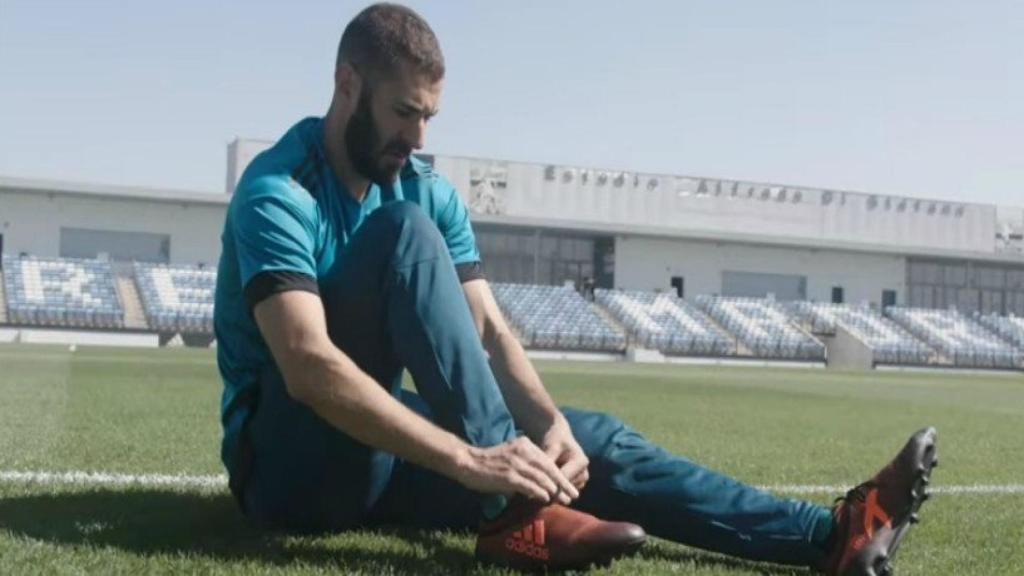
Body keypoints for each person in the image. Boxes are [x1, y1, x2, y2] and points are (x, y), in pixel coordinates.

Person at [213, 4, 938, 573]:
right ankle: (512, 514)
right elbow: (307, 367)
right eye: (405, 112)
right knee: (403, 234)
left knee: (594, 442)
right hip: (288, 470)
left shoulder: (423, 187)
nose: (420, 136)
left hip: (379, 451)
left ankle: (832, 534)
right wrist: (474, 461)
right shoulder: (280, 189)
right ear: (348, 85)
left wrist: (549, 427)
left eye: (430, 115)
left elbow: (492, 334)